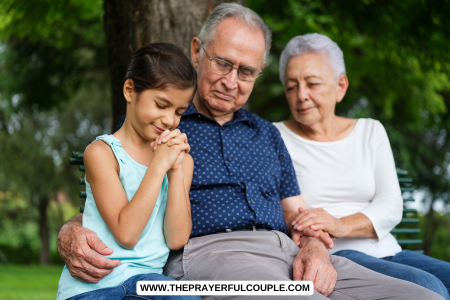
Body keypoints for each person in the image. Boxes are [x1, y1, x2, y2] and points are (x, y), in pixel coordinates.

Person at [57, 4, 444, 300]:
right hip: (212, 250)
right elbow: (121, 184)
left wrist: (313, 248)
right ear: (197, 51)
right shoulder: (166, 124)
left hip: (285, 250)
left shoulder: (266, 134)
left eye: (246, 72)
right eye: (223, 63)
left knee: (421, 295)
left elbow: (298, 213)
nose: (230, 81)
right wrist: (71, 228)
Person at [273, 33, 450, 300]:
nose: (301, 95)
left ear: (340, 87)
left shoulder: (370, 130)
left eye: (312, 83)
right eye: (291, 86)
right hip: (334, 256)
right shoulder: (272, 137)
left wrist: (338, 224)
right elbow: (275, 209)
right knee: (430, 289)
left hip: (391, 251)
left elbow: (391, 204)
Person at [56, 43, 201, 300]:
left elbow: (177, 239)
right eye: (161, 105)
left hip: (150, 284)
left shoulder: (181, 162)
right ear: (130, 90)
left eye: (179, 112)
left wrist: (175, 169)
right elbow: (126, 235)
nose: (170, 120)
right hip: (96, 286)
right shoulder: (102, 153)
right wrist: (158, 165)